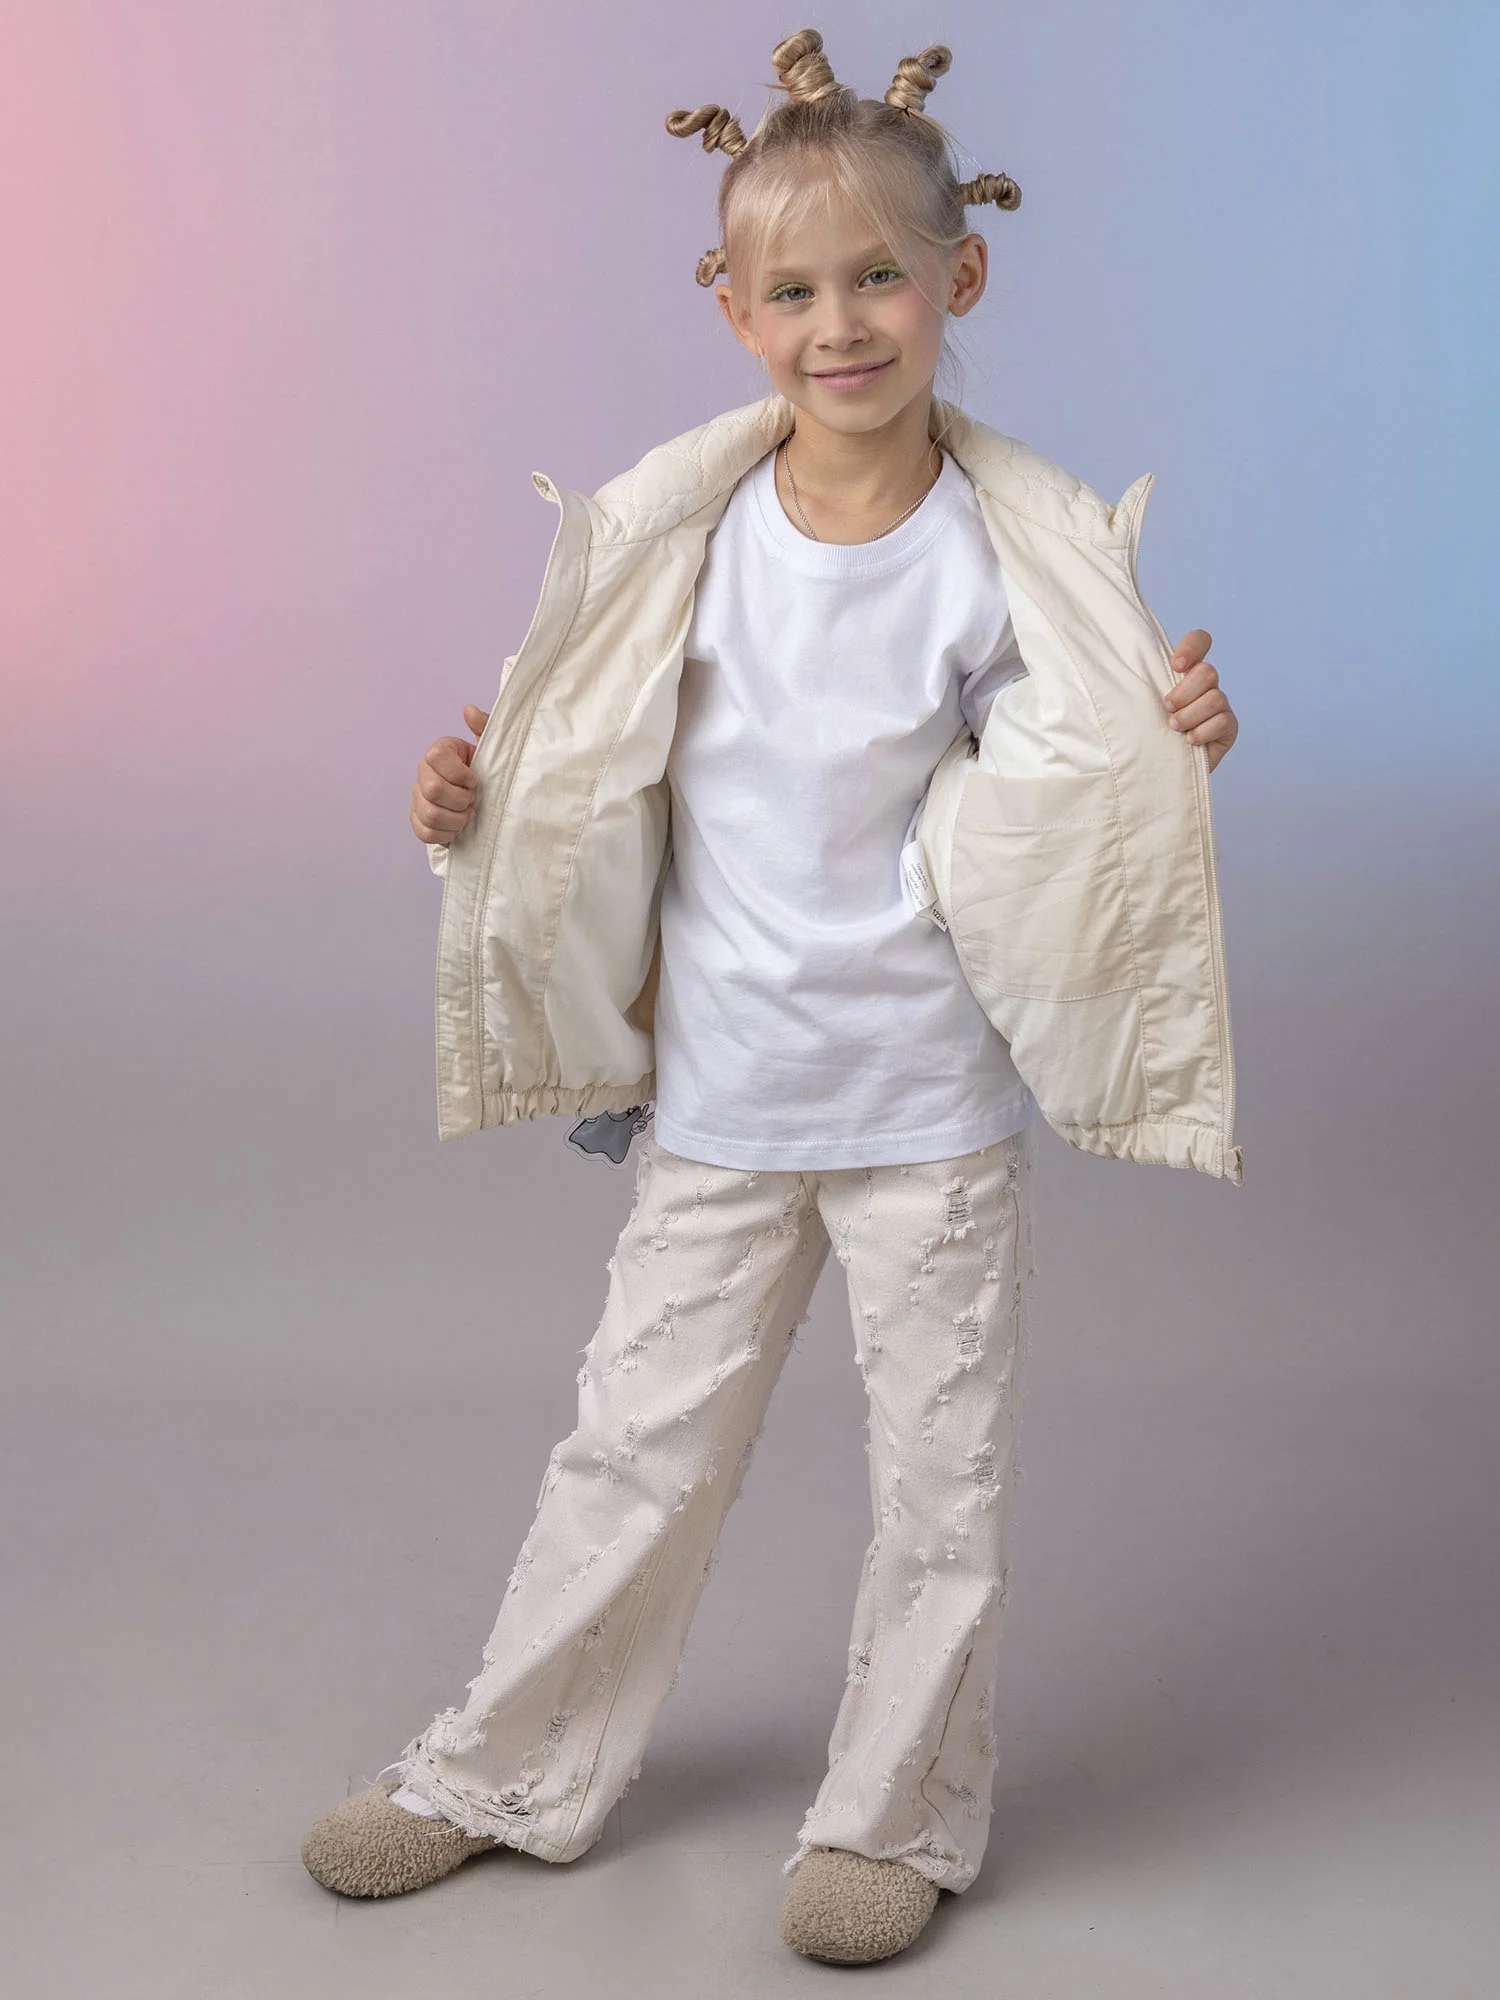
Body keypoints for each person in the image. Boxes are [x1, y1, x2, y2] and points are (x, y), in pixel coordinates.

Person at [300, 28, 1241, 1967]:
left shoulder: (1006, 557)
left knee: (941, 1485)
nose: (841, 324)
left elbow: (1077, 792)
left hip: (927, 1106)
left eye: (880, 276)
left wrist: (1180, 741)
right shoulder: (685, 538)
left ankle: (896, 1818)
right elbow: (584, 783)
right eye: (793, 291)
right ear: (730, 311)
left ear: (962, 275)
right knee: (630, 1454)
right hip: (726, 1098)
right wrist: (469, 815)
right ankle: (503, 1772)